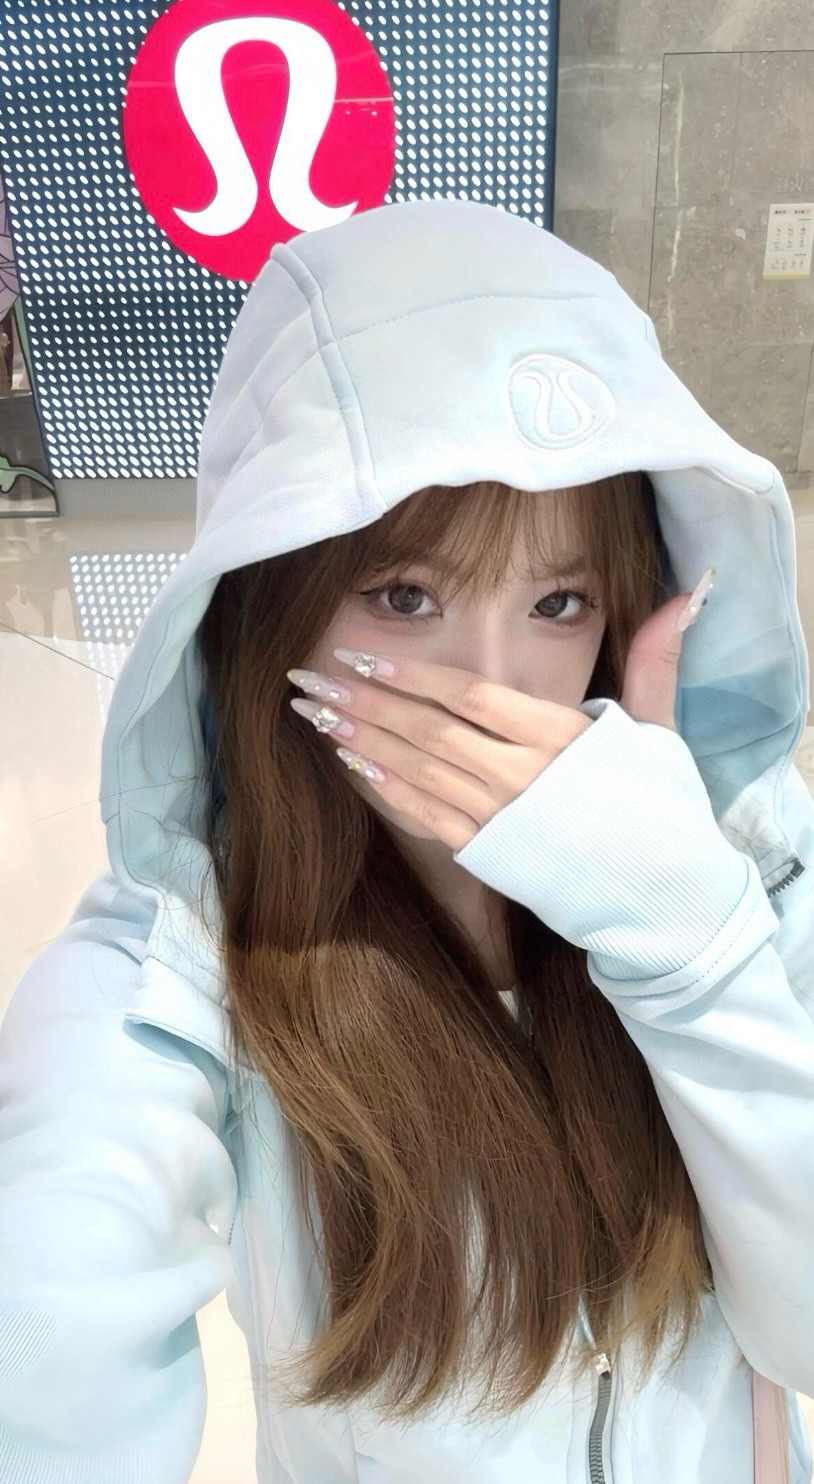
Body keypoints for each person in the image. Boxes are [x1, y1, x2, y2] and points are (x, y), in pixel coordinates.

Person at [1, 197, 813, 1484]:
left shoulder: (748, 859)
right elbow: (56, 1296)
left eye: (558, 601)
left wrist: (684, 934)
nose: (489, 686)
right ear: (271, 607)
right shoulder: (187, 962)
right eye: (403, 594)